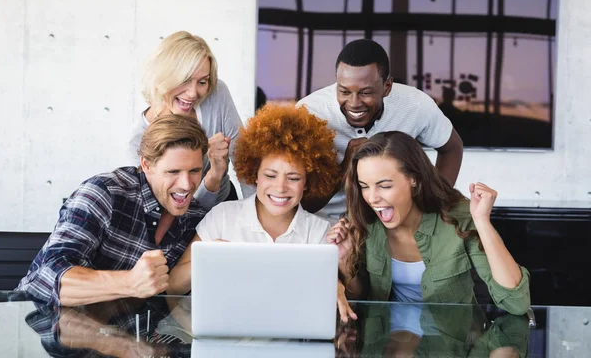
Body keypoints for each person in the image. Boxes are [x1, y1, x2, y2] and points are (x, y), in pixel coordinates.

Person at [167, 104, 356, 320]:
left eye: (293, 178)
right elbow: (173, 286)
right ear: (254, 174)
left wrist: (338, 280)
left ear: (307, 182)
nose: (280, 188)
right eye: (270, 175)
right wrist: (210, 255)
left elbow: (343, 302)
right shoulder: (223, 217)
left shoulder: (321, 232)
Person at [328, 131, 530, 316]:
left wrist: (482, 221)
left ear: (414, 179)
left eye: (385, 186)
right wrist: (345, 264)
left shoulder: (459, 217)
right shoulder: (362, 219)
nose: (372, 198)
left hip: (451, 344)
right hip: (387, 343)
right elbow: (356, 303)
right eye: (364, 186)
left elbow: (516, 304)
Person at [17, 115, 209, 306]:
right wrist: (130, 282)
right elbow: (46, 278)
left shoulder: (195, 216)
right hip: (38, 323)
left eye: (194, 171)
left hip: (124, 333)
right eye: (173, 172)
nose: (186, 185)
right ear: (146, 165)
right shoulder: (104, 193)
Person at [297, 39, 463, 221]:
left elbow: (452, 148)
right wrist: (344, 168)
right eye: (344, 92)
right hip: (325, 223)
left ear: (387, 87)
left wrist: (432, 208)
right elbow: (300, 204)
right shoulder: (309, 113)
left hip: (392, 223)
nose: (354, 103)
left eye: (366, 93)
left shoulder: (415, 104)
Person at [129, 30, 249, 210]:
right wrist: (213, 177)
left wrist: (257, 216)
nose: (193, 93)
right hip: (178, 218)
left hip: (224, 204)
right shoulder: (139, 142)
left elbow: (245, 160)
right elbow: (166, 211)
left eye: (202, 82)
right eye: (184, 80)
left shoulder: (216, 94)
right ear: (164, 77)